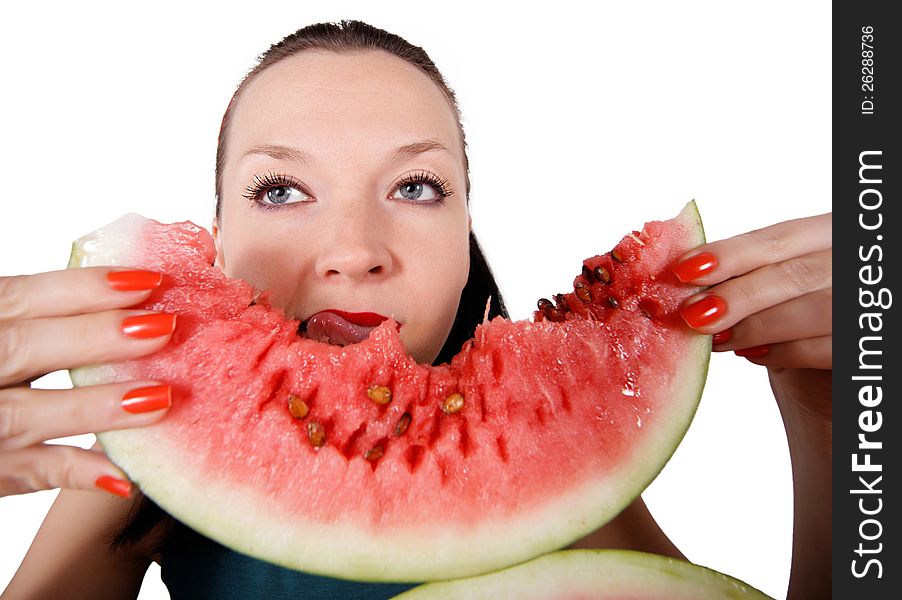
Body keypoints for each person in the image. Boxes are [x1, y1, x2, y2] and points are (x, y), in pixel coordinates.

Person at [1, 20, 831, 600]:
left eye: (416, 187)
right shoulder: (146, 440)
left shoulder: (549, 468)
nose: (354, 248)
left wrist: (829, 415)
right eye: (281, 190)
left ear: (466, 231)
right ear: (216, 241)